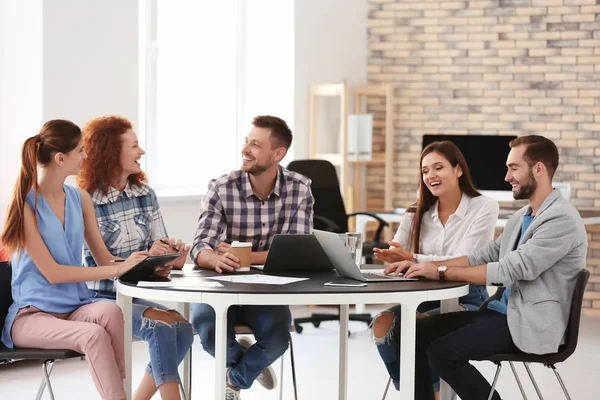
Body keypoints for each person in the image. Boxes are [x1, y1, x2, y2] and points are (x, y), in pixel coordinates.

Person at [388, 135, 587, 400]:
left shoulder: (561, 219)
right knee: (410, 333)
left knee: (442, 352)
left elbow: (507, 270)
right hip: (502, 314)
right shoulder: (522, 216)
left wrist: (440, 272)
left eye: (513, 168)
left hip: (528, 324)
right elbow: (482, 255)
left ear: (538, 169)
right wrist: (423, 264)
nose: (507, 177)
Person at [0, 120, 149, 400]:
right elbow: (54, 274)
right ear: (60, 158)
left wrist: (143, 260)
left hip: (74, 306)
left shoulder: (79, 198)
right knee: (93, 335)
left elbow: (104, 257)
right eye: (80, 151)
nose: (85, 157)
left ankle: (118, 392)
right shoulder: (26, 205)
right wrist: (117, 269)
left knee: (110, 311)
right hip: (32, 316)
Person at [190, 115, 314, 399]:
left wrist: (240, 255)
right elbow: (200, 245)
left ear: (278, 153)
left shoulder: (299, 188)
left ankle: (234, 381)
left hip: (267, 290)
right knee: (208, 329)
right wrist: (214, 259)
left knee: (277, 340)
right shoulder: (221, 187)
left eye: (255, 144)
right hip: (220, 285)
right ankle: (249, 364)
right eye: (246, 141)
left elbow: (295, 251)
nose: (245, 149)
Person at [78, 115, 194, 400]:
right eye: (134, 145)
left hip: (134, 293)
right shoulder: (84, 199)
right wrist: (145, 258)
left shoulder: (144, 194)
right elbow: (95, 263)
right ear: (110, 151)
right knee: (162, 328)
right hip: (98, 297)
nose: (141, 152)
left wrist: (170, 257)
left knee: (183, 328)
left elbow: (159, 247)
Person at [371, 141, 499, 395]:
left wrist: (412, 257)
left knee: (414, 329)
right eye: (425, 170)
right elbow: (400, 254)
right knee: (382, 323)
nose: (430, 175)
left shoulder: (483, 206)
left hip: (466, 296)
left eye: (438, 167)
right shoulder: (415, 212)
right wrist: (396, 258)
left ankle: (424, 393)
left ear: (458, 170)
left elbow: (466, 258)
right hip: (421, 296)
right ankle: (423, 391)